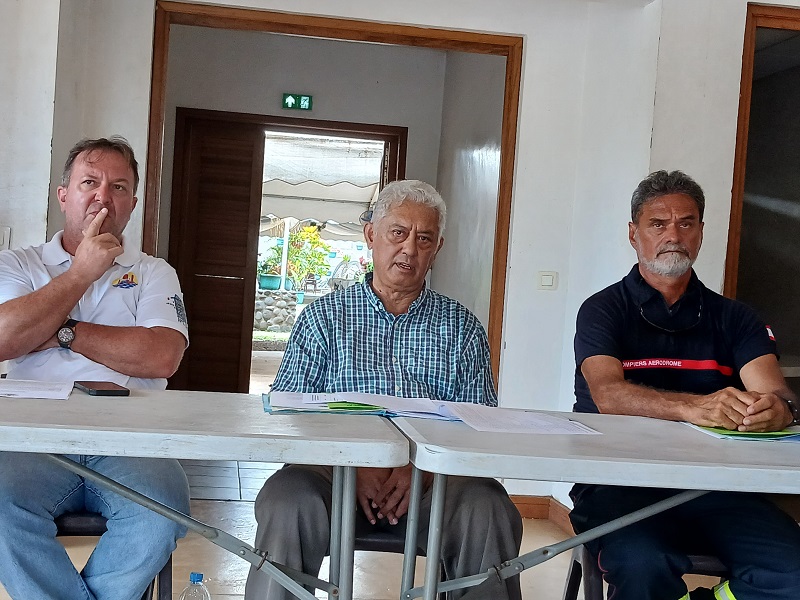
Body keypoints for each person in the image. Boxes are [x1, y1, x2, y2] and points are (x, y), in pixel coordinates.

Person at [244, 180, 522, 600]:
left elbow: (479, 425)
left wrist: (424, 471)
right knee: (286, 501)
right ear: (371, 235)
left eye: (423, 238)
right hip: (332, 475)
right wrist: (351, 464)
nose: (409, 249)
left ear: (436, 248)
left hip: (434, 482)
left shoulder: (461, 327)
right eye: (398, 232)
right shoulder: (324, 319)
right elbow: (290, 417)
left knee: (488, 507)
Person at [570, 170, 800, 600]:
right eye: (658, 224)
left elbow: (777, 393)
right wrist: (693, 408)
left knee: (794, 573)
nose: (673, 234)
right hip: (620, 485)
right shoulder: (602, 310)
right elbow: (608, 394)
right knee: (643, 565)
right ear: (633, 233)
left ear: (700, 233)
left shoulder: (736, 318)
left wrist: (778, 410)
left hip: (721, 487)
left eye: (686, 223)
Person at [0, 137, 191, 600]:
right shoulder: (19, 264)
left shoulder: (154, 272)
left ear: (133, 203)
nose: (103, 197)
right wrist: (79, 274)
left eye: (119, 187)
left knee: (166, 509)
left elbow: (161, 356)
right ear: (63, 194)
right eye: (90, 182)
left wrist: (60, 330)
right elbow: (5, 339)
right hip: (34, 440)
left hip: (131, 439)